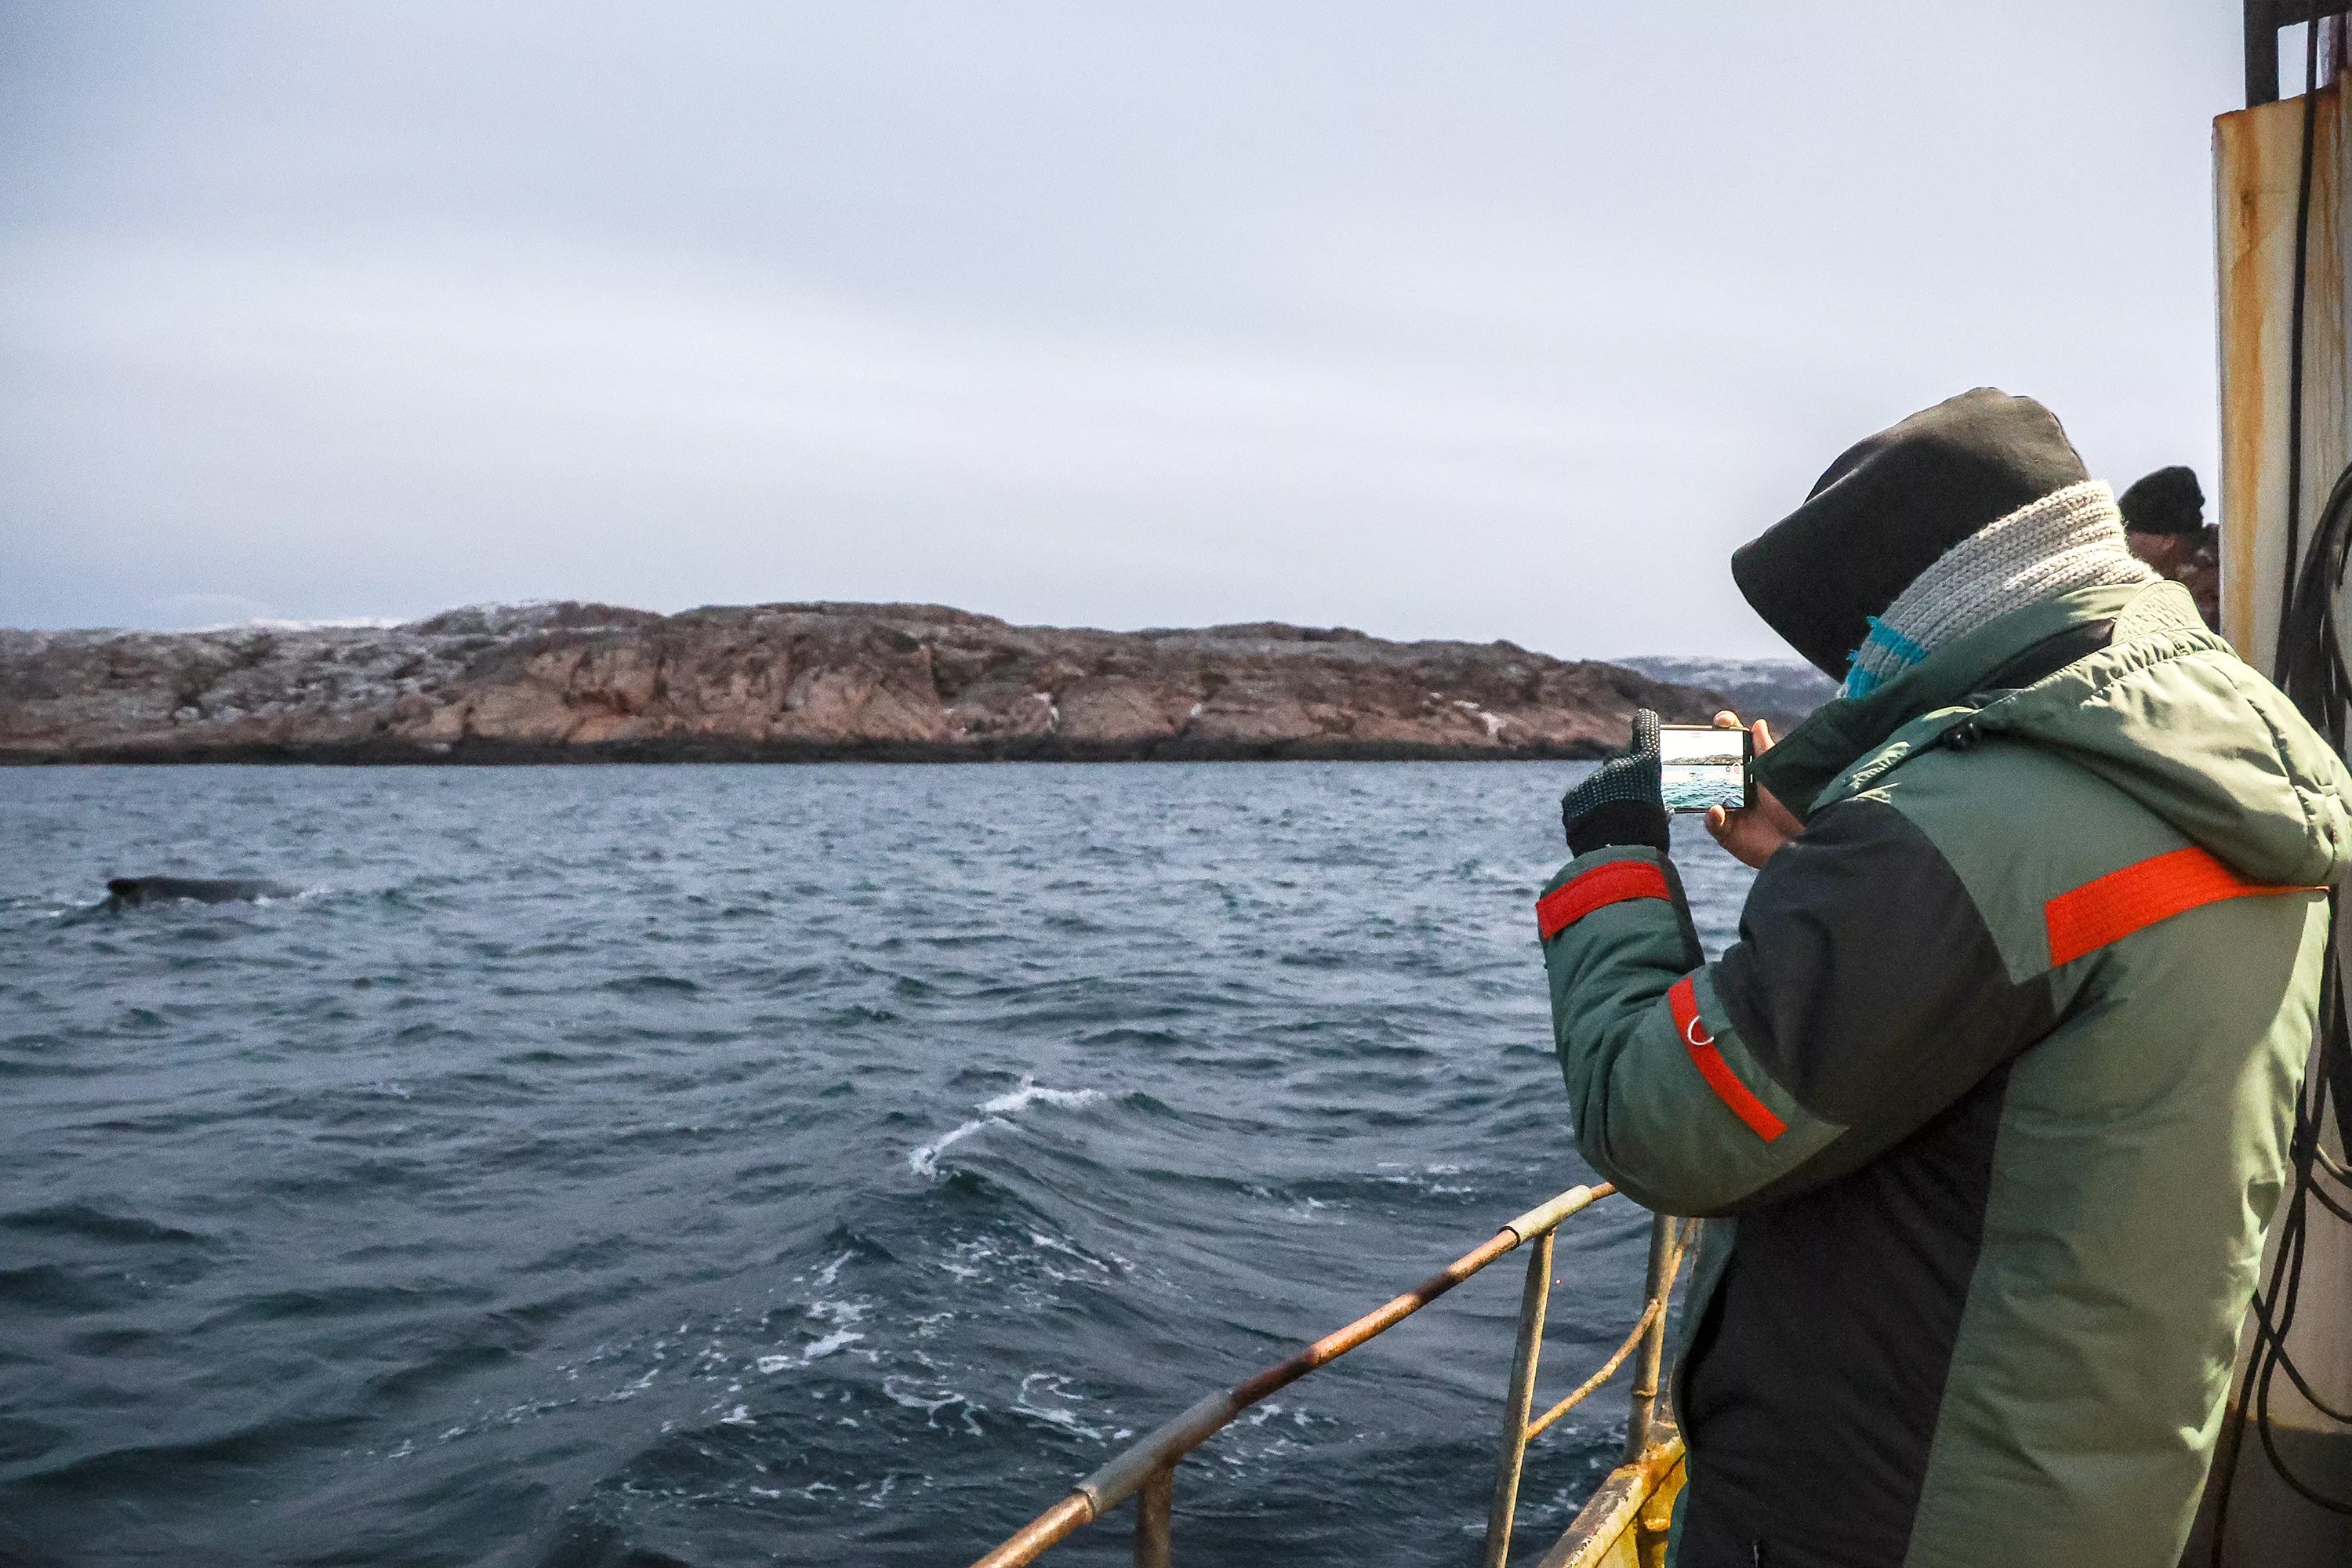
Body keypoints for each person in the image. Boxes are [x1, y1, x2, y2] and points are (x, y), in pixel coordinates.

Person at [1537, 389, 2352, 1566]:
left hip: (1881, 1516)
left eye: (1863, 647)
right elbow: (2038, 998)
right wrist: (1830, 858)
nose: (1851, 678)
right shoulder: (2210, 756)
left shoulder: (1961, 829)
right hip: (2083, 1490)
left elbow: (1662, 1121)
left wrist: (1614, 856)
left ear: (1937, 609)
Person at [2118, 463, 2220, 629]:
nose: (2123, 542)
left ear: (2166, 539)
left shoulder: (2208, 588)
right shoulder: (2184, 573)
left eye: (2128, 534)